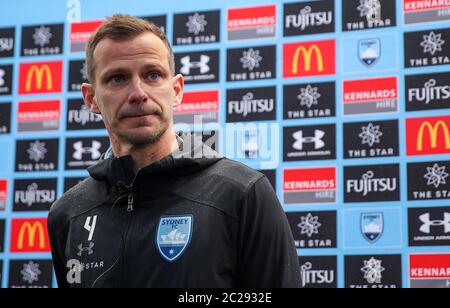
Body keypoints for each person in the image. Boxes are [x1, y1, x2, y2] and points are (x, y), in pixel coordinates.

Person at [48, 14, 300, 288]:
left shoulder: (242, 193)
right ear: (91, 98)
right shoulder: (68, 213)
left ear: (177, 89)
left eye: (152, 75)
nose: (138, 93)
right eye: (118, 78)